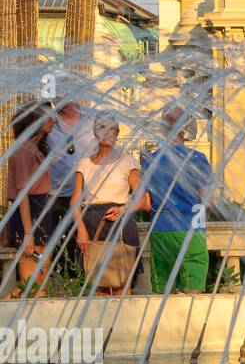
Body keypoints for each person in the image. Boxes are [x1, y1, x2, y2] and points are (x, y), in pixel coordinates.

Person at [70, 112, 145, 294]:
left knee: (122, 282)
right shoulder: (84, 164)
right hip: (91, 224)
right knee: (94, 283)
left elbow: (141, 199)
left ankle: (123, 322)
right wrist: (80, 229)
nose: (106, 133)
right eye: (101, 128)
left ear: (117, 133)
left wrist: (122, 210)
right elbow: (74, 201)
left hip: (120, 223)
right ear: (95, 133)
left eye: (110, 129)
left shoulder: (128, 161)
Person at [143, 108, 213, 295]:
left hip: (160, 229)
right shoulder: (197, 158)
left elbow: (146, 203)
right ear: (186, 130)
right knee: (193, 282)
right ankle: (190, 323)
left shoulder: (151, 160)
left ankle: (163, 323)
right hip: (191, 227)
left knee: (163, 286)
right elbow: (207, 201)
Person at [4, 102, 56, 292]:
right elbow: (22, 194)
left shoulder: (34, 147)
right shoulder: (23, 150)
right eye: (49, 116)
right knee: (32, 285)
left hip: (40, 212)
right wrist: (28, 234)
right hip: (30, 215)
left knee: (40, 283)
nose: (54, 120)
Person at [44, 99, 97, 273]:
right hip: (55, 196)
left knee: (87, 243)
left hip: (88, 195)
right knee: (57, 246)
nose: (56, 98)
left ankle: (85, 282)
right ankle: (60, 283)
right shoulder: (48, 122)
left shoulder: (93, 119)